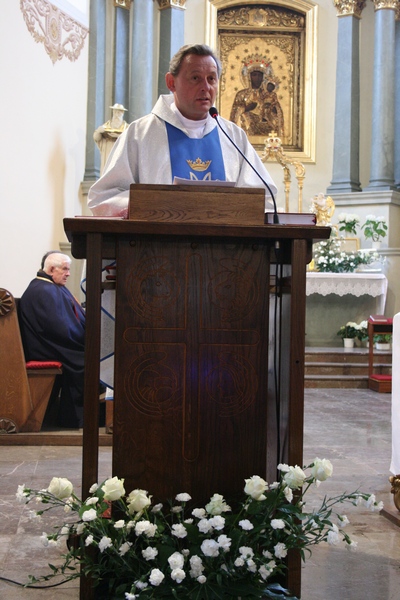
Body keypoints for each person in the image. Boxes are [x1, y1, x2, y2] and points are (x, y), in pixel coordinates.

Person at [87, 44, 277, 217]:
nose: (205, 87)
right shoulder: (139, 134)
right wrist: (150, 205)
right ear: (171, 82)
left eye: (211, 79)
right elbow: (104, 196)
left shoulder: (234, 137)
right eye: (195, 78)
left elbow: (265, 199)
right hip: (156, 243)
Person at [18, 252, 86, 428]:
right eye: (65, 269)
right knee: (86, 360)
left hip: (52, 343)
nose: (68, 274)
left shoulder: (52, 286)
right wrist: (85, 338)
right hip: (43, 347)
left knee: (88, 354)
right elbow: (59, 328)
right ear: (51, 269)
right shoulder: (43, 291)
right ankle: (74, 418)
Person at [93, 103, 129, 175]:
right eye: (115, 112)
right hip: (108, 150)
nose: (116, 115)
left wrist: (120, 136)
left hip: (121, 153)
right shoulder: (106, 126)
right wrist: (99, 131)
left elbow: (132, 142)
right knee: (107, 170)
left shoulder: (127, 128)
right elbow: (97, 138)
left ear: (122, 113)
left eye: (119, 112)